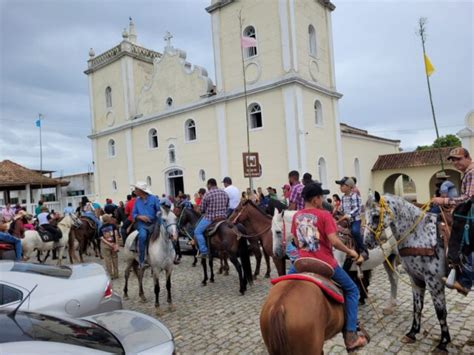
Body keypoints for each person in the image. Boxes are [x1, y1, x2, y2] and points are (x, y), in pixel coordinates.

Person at [289, 183, 368, 351]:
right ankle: (351, 336)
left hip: (302, 262)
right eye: (321, 197)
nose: (323, 200)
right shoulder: (324, 215)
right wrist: (351, 252)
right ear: (316, 199)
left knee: (284, 283)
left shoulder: (297, 216)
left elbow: (296, 241)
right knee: (353, 290)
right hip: (324, 264)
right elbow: (334, 241)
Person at [432, 147, 474, 295]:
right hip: (465, 210)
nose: (456, 163)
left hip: (469, 213)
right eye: (453, 161)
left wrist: (444, 200)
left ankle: (465, 282)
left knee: (463, 243)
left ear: (468, 157)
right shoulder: (466, 173)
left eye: (459, 159)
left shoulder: (471, 173)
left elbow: (468, 197)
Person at [194, 178, 229, 258]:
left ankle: (204, 251)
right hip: (223, 218)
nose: (207, 186)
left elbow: (202, 209)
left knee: (197, 231)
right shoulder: (224, 192)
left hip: (210, 218)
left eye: (207, 185)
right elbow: (227, 206)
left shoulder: (207, 194)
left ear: (209, 184)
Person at [336, 177, 367, 262]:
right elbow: (342, 208)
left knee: (355, 231)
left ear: (349, 186)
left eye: (342, 185)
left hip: (355, 220)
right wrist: (338, 210)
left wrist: (348, 215)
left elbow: (357, 208)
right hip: (345, 220)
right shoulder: (343, 197)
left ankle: (363, 250)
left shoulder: (354, 196)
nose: (340, 187)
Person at [131, 181, 161, 268]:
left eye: (136, 189)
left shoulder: (153, 198)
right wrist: (140, 217)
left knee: (166, 234)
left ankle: (172, 254)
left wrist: (158, 213)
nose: (134, 191)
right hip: (142, 225)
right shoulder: (137, 201)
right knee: (142, 236)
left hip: (154, 223)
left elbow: (158, 210)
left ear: (141, 190)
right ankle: (141, 261)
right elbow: (133, 214)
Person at [99, 215, 120, 279]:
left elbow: (102, 238)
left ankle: (110, 275)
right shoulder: (113, 226)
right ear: (108, 219)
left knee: (107, 260)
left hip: (105, 245)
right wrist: (116, 244)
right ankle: (116, 274)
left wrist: (109, 244)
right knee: (115, 259)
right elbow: (116, 235)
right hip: (113, 243)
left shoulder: (100, 228)